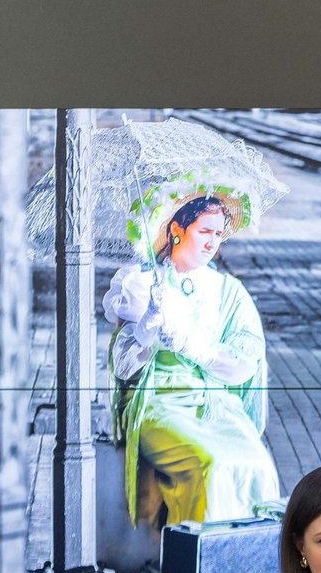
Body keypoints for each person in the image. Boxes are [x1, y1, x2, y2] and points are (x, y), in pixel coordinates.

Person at [102, 193, 280, 530]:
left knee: (257, 464)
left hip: (216, 405)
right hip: (159, 401)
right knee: (211, 464)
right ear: (176, 230)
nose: (212, 242)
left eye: (218, 234)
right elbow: (124, 366)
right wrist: (148, 324)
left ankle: (250, 565)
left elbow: (245, 364)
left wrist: (195, 347)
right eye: (204, 231)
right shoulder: (142, 283)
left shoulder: (228, 291)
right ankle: (195, 566)